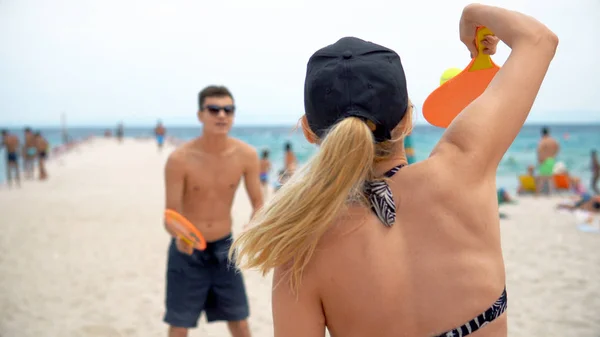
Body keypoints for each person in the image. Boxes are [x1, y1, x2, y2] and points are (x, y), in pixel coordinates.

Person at [230, 4, 558, 337]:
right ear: (407, 118)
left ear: (308, 131)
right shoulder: (464, 165)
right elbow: (538, 39)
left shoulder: (298, 248)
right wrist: (471, 15)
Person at [162, 85, 263, 337]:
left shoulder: (246, 156)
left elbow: (259, 206)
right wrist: (180, 236)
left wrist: (252, 231)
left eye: (228, 109)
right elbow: (170, 215)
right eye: (214, 109)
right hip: (188, 251)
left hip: (224, 249)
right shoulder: (179, 159)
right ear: (200, 115)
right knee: (179, 325)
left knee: (240, 323)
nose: (221, 115)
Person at [537, 126, 559, 194]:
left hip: (544, 160)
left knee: (541, 178)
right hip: (551, 159)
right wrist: (553, 155)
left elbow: (539, 150)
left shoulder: (543, 140)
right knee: (550, 177)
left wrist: (540, 160)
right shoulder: (553, 140)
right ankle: (550, 192)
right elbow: (557, 148)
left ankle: (537, 194)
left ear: (542, 133)